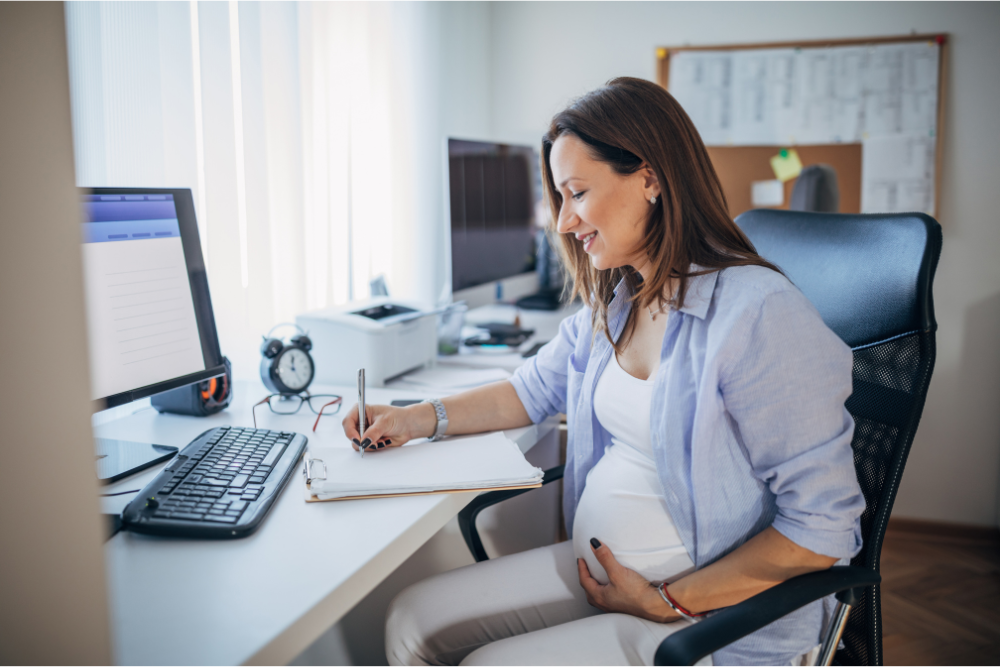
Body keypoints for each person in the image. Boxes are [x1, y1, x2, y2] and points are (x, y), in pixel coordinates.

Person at [342, 77, 865, 666]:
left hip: (712, 616)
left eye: (577, 193)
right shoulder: (620, 301)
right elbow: (528, 391)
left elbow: (822, 527)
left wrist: (667, 599)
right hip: (609, 574)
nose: (564, 222)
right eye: (560, 198)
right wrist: (414, 419)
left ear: (649, 178)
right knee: (411, 621)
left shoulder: (757, 312)